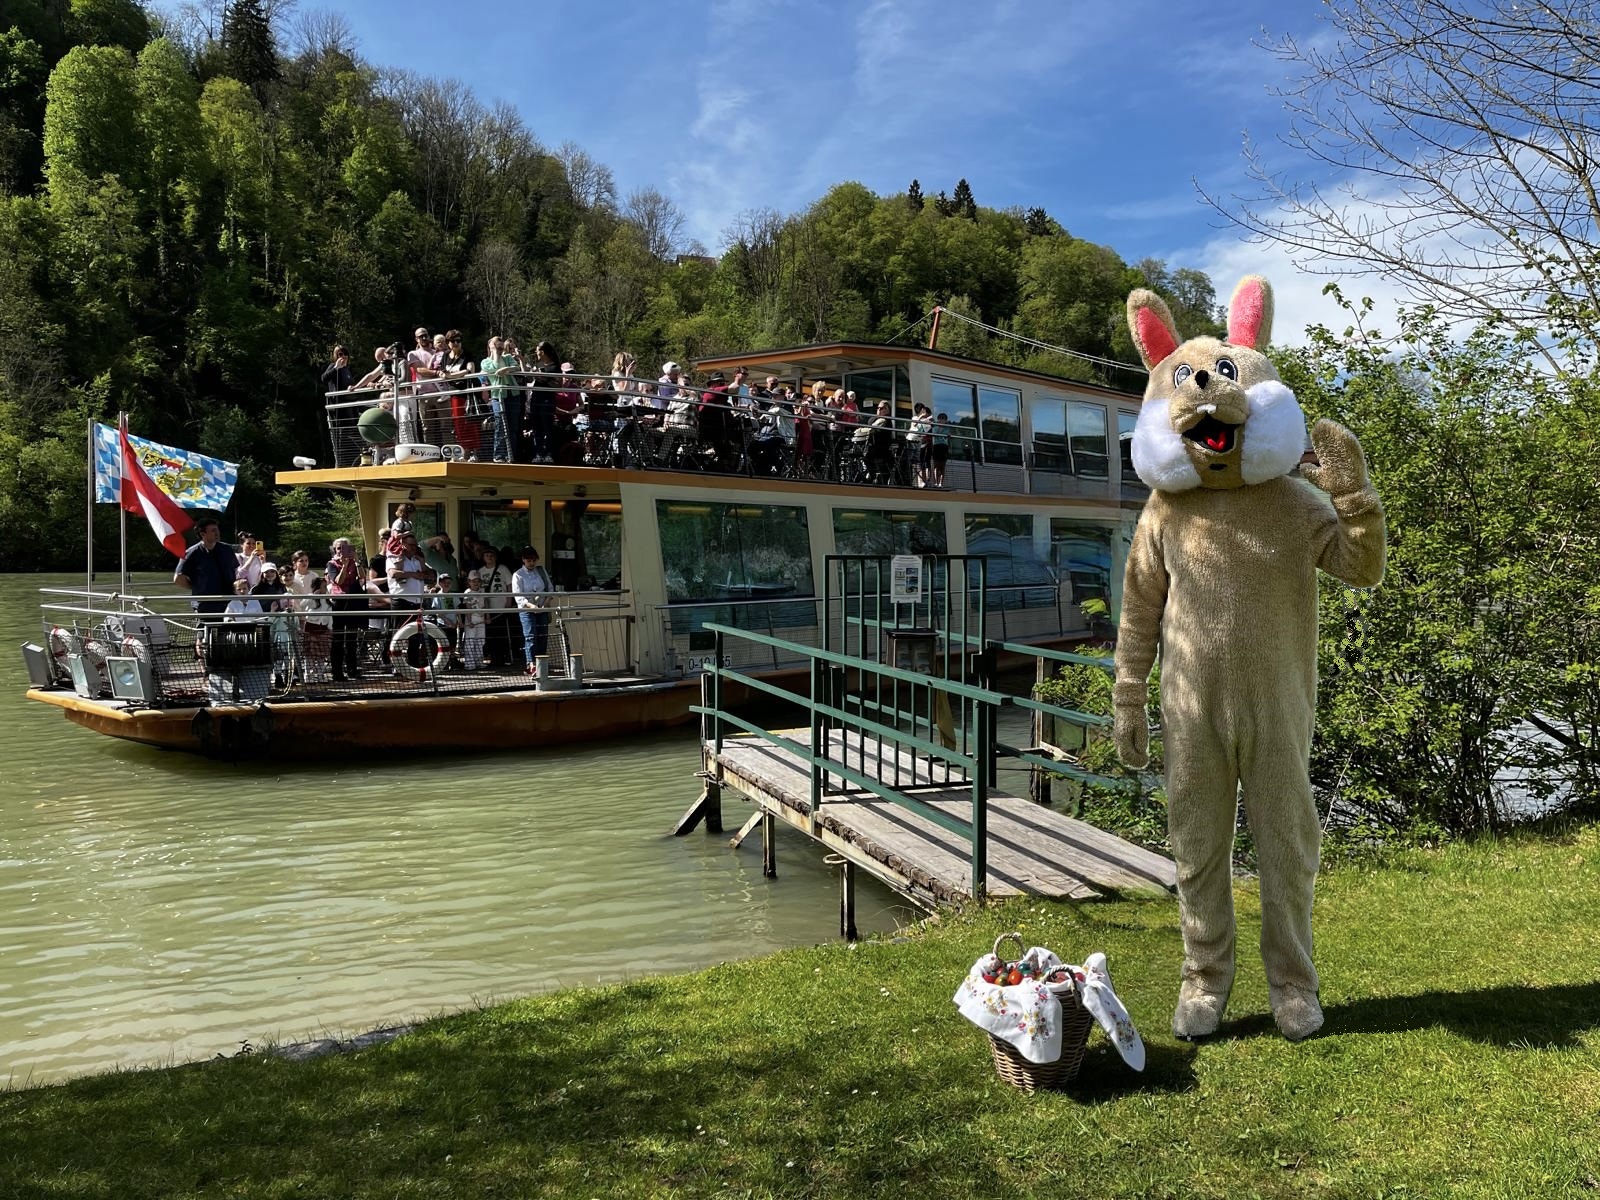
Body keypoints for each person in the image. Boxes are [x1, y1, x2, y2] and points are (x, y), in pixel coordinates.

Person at [173, 518, 239, 614]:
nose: (217, 533)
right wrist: (197, 587)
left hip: (229, 603)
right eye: (213, 530)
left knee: (230, 628)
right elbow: (178, 578)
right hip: (205, 604)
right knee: (206, 628)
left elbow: (235, 570)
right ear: (202, 534)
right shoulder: (192, 553)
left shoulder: (227, 550)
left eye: (217, 529)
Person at [326, 537, 366, 681]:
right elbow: (339, 581)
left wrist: (356, 562)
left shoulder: (354, 563)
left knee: (352, 638)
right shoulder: (331, 564)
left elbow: (362, 577)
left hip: (353, 602)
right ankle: (337, 672)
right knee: (338, 638)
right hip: (339, 602)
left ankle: (352, 670)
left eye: (345, 548)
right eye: (338, 548)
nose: (341, 551)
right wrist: (344, 565)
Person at [512, 546, 553, 671]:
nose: (531, 563)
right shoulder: (518, 575)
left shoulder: (541, 571)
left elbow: (550, 589)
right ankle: (531, 665)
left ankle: (542, 664)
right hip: (526, 610)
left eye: (534, 560)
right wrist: (532, 606)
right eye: (529, 560)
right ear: (523, 560)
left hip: (542, 608)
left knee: (542, 636)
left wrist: (545, 604)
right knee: (530, 636)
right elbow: (518, 597)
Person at [477, 545, 516, 667]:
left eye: (492, 555)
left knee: (502, 632)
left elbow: (510, 585)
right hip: (487, 607)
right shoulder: (480, 571)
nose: (490, 557)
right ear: (483, 557)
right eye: (487, 555)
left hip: (501, 606)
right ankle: (492, 657)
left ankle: (502, 657)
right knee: (489, 633)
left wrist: (509, 601)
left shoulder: (503, 569)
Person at [457, 571, 487, 671]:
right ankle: (469, 663)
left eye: (477, 581)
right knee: (470, 641)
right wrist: (469, 621)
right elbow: (468, 607)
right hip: (472, 619)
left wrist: (488, 617)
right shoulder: (467, 592)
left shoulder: (482, 591)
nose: (475, 583)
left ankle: (479, 661)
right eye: (473, 581)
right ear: (469, 582)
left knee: (480, 641)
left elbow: (485, 605)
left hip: (481, 619)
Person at [929, 411, 951, 489]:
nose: (942, 421)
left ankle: (940, 484)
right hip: (936, 446)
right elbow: (936, 433)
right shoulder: (935, 427)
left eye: (943, 419)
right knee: (935, 466)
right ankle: (935, 483)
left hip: (944, 447)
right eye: (940, 419)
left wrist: (948, 435)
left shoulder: (947, 428)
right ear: (938, 419)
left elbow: (947, 436)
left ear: (946, 420)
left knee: (942, 466)